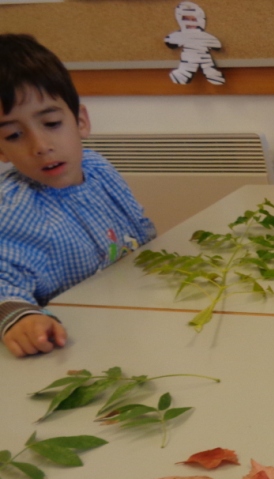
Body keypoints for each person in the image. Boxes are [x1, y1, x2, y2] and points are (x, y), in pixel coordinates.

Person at [0, 34, 155, 358]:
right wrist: (20, 318)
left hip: (129, 319)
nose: (40, 145)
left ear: (81, 121)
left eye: (51, 123)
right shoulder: (13, 206)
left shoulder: (98, 168)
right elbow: (4, 282)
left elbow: (138, 227)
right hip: (67, 347)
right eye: (14, 135)